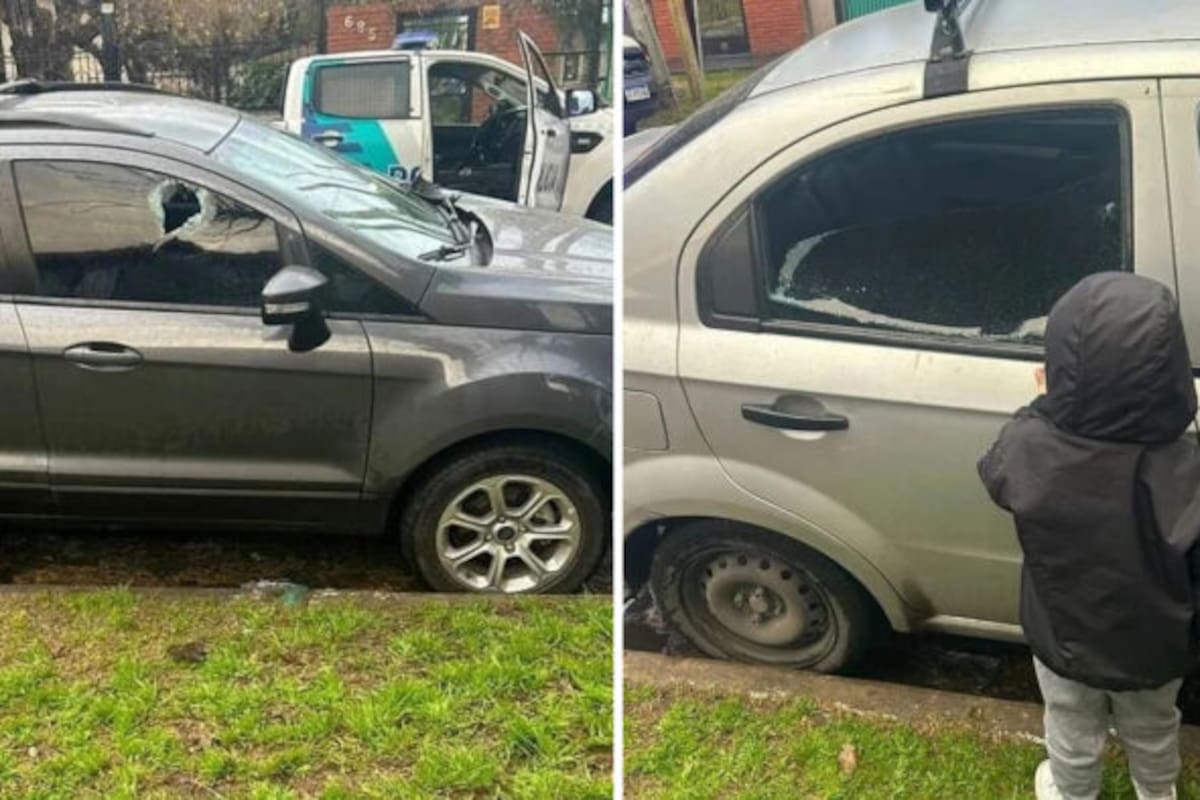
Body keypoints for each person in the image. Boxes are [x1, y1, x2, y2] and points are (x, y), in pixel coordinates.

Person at [978, 272, 1200, 800]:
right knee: (1153, 725)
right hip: (1156, 647)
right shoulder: (1189, 469)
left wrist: (1046, 407)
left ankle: (1072, 792)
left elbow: (997, 474)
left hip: (1064, 638)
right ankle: (1157, 792)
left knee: (1071, 726)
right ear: (1170, 372)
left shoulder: (1031, 446)